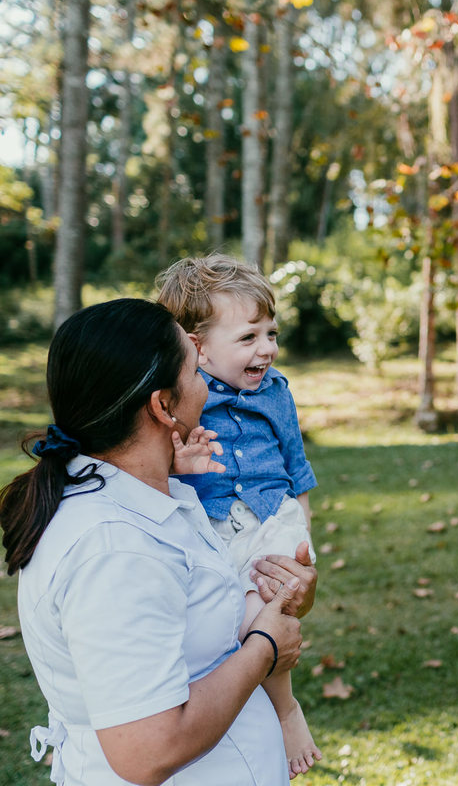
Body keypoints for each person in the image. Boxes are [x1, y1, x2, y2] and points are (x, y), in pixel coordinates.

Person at [0, 298, 318, 785]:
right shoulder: (113, 549)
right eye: (195, 370)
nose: (207, 387)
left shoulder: (158, 495)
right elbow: (147, 749)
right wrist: (265, 648)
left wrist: (282, 597)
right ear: (162, 405)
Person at [156, 253, 322, 777]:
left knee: (271, 610)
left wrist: (303, 533)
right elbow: (157, 475)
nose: (267, 349)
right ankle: (282, 707)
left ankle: (281, 706)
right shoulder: (181, 399)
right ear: (195, 346)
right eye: (248, 338)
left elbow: (297, 464)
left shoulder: (276, 393)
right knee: (248, 623)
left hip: (273, 521)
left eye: (270, 334)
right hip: (214, 529)